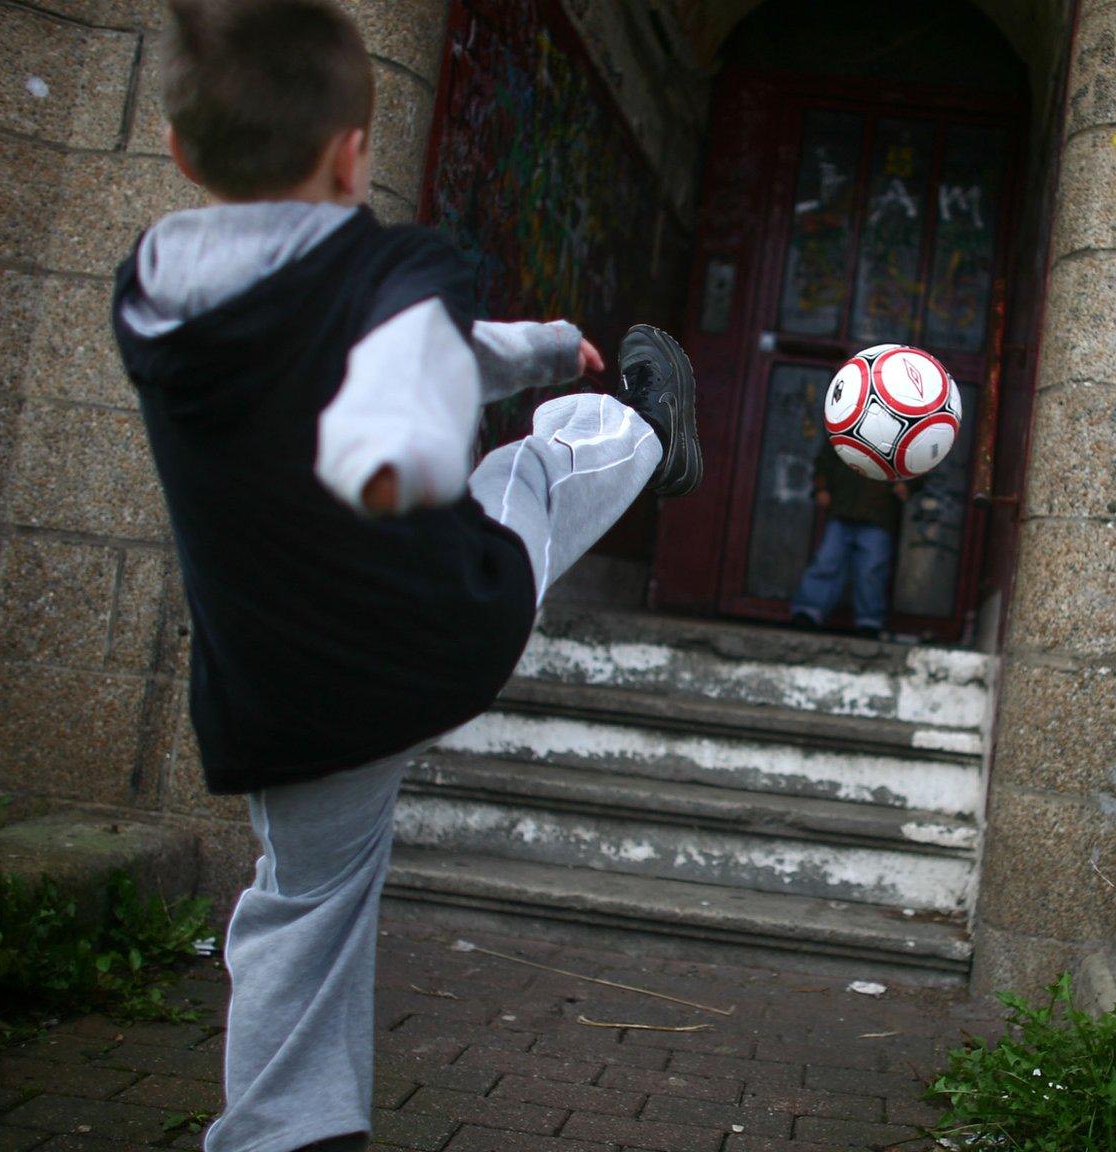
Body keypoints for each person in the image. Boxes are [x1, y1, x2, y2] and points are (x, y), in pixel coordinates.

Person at [108, 3, 700, 1149]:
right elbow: (404, 377)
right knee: (541, 467)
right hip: (432, 633)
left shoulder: (152, 299)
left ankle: (285, 1133)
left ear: (179, 154)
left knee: (301, 904)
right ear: (352, 151)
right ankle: (644, 436)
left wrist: (532, 344)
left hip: (281, 695)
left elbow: (416, 346)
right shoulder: (394, 272)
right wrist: (395, 455)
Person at [789, 441, 908, 637]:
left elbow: (917, 462)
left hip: (879, 512)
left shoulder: (902, 432)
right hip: (843, 507)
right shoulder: (848, 423)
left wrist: (907, 485)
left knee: (872, 570)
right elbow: (826, 458)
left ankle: (869, 621)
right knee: (827, 562)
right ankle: (808, 612)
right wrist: (821, 488)